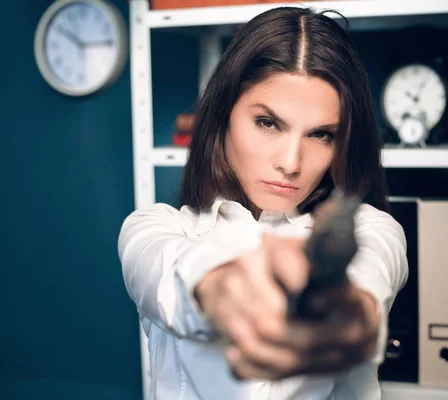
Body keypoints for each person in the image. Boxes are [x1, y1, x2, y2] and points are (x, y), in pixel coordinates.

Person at [118, 6, 408, 400]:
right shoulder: (153, 228)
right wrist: (222, 288)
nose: (290, 163)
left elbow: (371, 273)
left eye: (321, 134)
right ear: (222, 118)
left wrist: (345, 309)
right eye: (268, 123)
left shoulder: (373, 229)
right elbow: (169, 277)